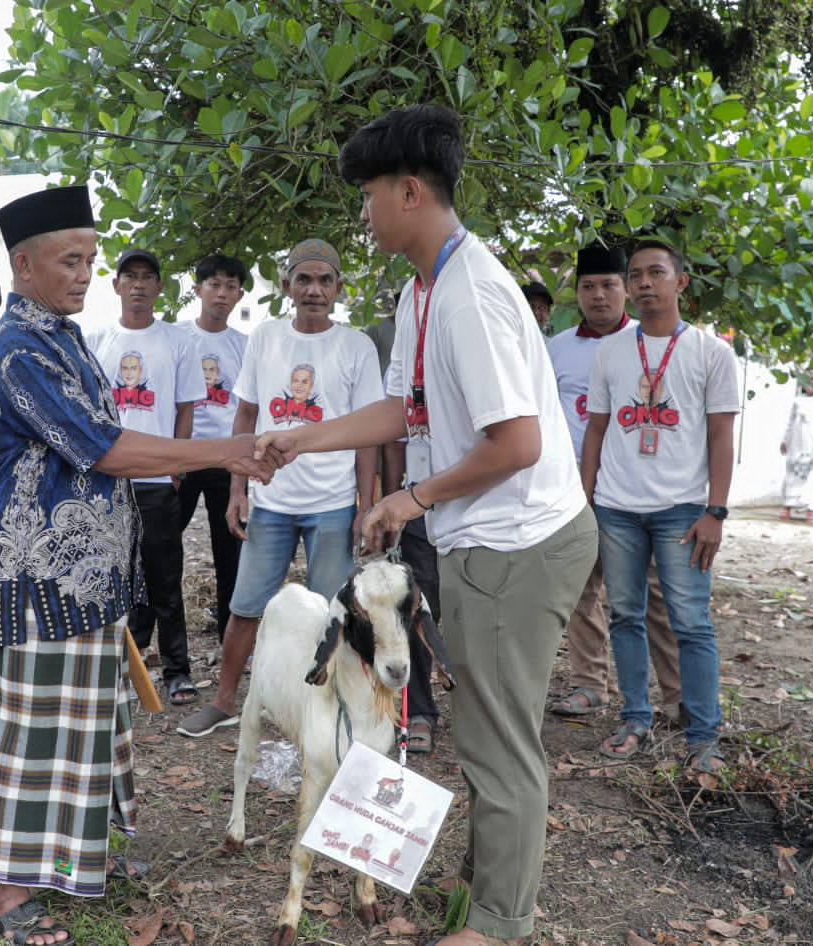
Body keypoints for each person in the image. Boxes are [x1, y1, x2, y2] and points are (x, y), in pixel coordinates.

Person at [261, 106, 599, 945]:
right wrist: (308, 435)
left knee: (496, 744)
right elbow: (401, 407)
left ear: (409, 191)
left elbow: (515, 443)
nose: (363, 213)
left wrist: (410, 499)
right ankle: (487, 886)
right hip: (485, 537)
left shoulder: (471, 297)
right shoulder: (424, 288)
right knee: (489, 729)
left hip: (514, 544)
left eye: (370, 194)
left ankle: (497, 924)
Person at [0, 184, 274, 945]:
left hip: (89, 573)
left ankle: (83, 851)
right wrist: (225, 449)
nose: (84, 275)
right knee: (32, 728)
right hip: (37, 577)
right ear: (23, 265)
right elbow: (104, 446)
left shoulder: (65, 337)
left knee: (91, 720)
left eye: (89, 260)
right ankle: (5, 891)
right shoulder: (16, 352)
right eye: (71, 261)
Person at [175, 239, 383, 740]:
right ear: (288, 285)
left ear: (337, 288)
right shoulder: (265, 338)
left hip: (332, 505)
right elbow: (246, 415)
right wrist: (238, 489)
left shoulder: (356, 346)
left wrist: (366, 505)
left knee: (329, 610)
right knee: (246, 604)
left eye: (324, 280)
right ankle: (225, 699)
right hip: (270, 502)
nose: (314, 290)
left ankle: (324, 709)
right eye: (304, 279)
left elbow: (369, 433)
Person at [581, 239, 739, 776]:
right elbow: (596, 429)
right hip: (616, 508)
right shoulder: (610, 352)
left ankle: (703, 737)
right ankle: (634, 718)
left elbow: (721, 437)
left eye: (656, 273)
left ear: (681, 283)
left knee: (691, 623)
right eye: (636, 275)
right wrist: (586, 500)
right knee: (624, 615)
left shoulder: (712, 353)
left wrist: (715, 511)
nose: (645, 283)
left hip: (683, 508)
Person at [545, 245, 682, 724]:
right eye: (588, 287)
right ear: (576, 293)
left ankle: (675, 698)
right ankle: (589, 685)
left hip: (640, 492)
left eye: (608, 285)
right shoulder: (556, 349)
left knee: (655, 598)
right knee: (581, 590)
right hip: (575, 494)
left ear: (626, 288)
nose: (599, 296)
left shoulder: (651, 343)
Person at [88, 248, 206, 705]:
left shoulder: (178, 342)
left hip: (157, 482)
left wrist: (175, 468)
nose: (138, 285)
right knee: (116, 577)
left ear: (160, 288)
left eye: (147, 277)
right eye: (129, 276)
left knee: (164, 578)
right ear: (116, 285)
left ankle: (177, 670)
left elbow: (185, 409)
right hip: (110, 481)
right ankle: (122, 670)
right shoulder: (96, 340)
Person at [365, 312, 444, 754]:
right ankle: (419, 712)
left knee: (469, 619)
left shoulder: (472, 352)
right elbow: (393, 433)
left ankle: (479, 715)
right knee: (415, 612)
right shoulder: (403, 363)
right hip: (417, 507)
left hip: (477, 511)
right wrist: (394, 498)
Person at [179, 254, 250, 642]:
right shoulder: (178, 337)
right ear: (198, 289)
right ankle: (153, 637)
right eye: (214, 285)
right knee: (161, 548)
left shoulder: (245, 345)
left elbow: (248, 408)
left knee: (231, 554)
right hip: (184, 457)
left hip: (228, 459)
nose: (222, 294)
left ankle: (231, 636)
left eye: (230, 287)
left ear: (240, 295)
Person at [779, 371, 813, 523]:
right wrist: (785, 440)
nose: (810, 383)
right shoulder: (798, 400)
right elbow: (790, 423)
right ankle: (788, 505)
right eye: (806, 379)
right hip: (796, 444)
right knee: (793, 474)